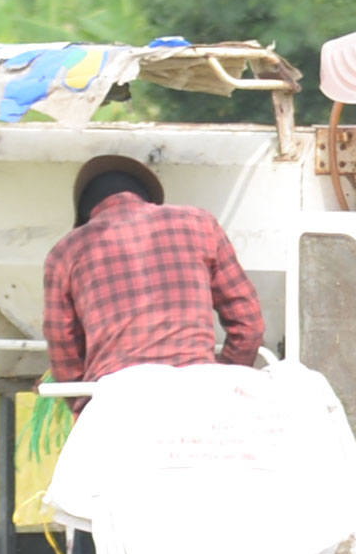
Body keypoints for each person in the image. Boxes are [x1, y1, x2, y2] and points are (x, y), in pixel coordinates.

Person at [40, 155, 263, 383]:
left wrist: (82, 401)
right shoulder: (200, 223)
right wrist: (220, 379)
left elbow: (62, 345)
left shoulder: (65, 252)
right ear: (148, 198)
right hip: (198, 390)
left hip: (116, 396)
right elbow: (248, 323)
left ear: (87, 214)